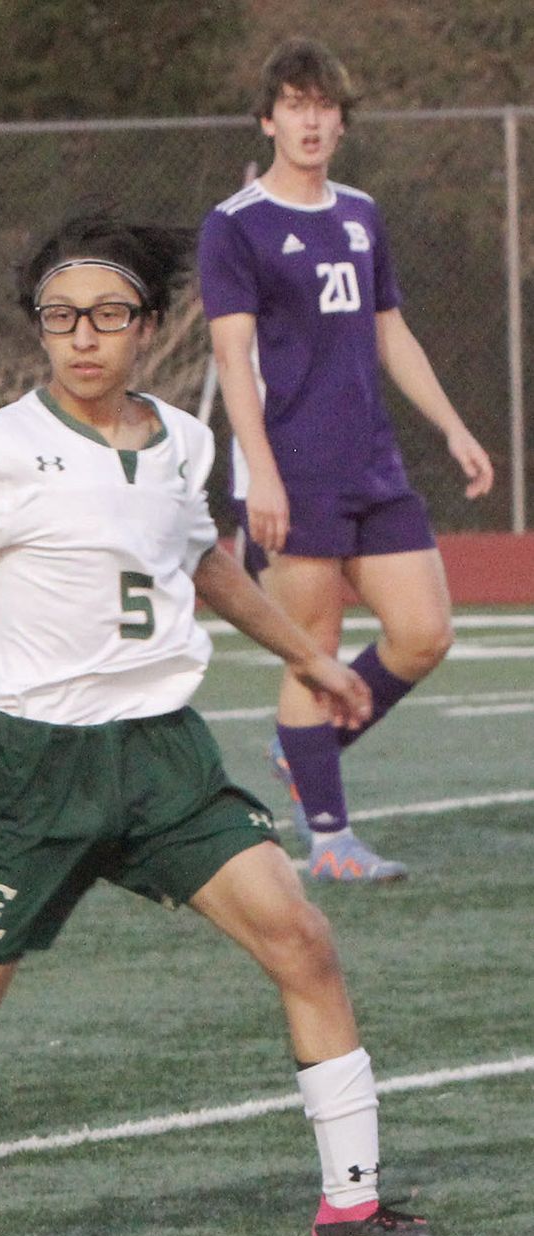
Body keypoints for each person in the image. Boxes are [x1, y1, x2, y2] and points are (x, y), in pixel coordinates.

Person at [0, 210, 471, 1236]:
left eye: (108, 315)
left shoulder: (183, 440)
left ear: (148, 325)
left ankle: (351, 1210)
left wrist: (304, 659)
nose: (84, 336)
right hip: (30, 773)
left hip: (163, 760)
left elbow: (207, 566)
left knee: (302, 940)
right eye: (61, 316)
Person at [198, 37, 493, 883]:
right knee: (313, 646)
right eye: (295, 105)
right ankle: (330, 841)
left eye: (324, 106)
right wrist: (261, 476)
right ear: (268, 119)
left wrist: (452, 427)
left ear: (341, 121)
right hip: (293, 468)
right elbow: (232, 360)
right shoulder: (236, 225)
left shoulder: (361, 213)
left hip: (374, 462)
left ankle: (309, 748)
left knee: (424, 632)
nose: (312, 119)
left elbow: (388, 329)